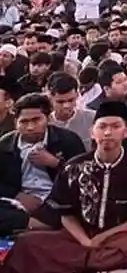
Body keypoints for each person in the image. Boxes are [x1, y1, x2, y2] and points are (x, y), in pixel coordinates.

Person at [1, 101, 127, 273]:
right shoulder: (74, 166)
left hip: (120, 236)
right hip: (79, 235)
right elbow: (66, 214)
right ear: (92, 132)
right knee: (27, 243)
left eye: (115, 126)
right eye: (102, 127)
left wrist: (105, 236)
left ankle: (76, 264)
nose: (108, 132)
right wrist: (85, 241)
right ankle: (95, 264)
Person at [0, 93, 86, 231]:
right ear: (16, 122)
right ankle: (33, 223)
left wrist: (56, 163)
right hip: (18, 202)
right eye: (24, 122)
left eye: (36, 120)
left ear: (48, 118)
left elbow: (84, 177)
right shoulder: (5, 144)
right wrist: (17, 195)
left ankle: (29, 225)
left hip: (55, 201)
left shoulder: (68, 140)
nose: (30, 127)